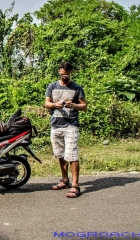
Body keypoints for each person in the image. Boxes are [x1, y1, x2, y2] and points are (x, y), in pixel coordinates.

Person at [45, 61, 87, 198]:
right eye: (62, 74)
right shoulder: (52, 86)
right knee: (60, 154)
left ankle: (75, 185)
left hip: (71, 125)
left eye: (67, 74)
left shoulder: (76, 88)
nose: (65, 77)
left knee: (72, 155)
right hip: (56, 125)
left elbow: (84, 106)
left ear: (71, 73)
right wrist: (54, 105)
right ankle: (65, 180)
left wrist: (73, 105)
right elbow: (47, 103)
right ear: (59, 72)